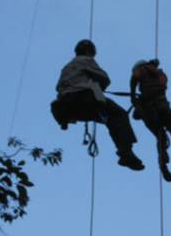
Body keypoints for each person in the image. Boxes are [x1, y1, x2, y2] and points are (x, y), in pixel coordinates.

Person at [51, 39, 144, 171]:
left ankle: (125, 152)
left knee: (111, 120)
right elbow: (104, 78)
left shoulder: (66, 67)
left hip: (67, 106)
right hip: (84, 99)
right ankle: (126, 153)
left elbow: (61, 86)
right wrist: (99, 86)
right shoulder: (86, 60)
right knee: (119, 115)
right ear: (89, 51)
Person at [130, 59, 171, 182]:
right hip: (162, 105)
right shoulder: (159, 73)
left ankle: (163, 164)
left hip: (149, 110)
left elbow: (134, 79)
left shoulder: (141, 70)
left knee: (160, 136)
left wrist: (133, 97)